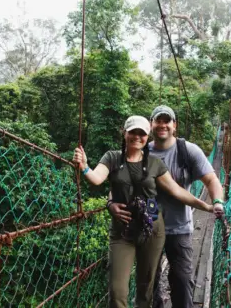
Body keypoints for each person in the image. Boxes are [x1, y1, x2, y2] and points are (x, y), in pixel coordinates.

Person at [72, 115, 214, 308]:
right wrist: (85, 167)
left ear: (147, 136)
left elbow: (176, 190)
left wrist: (206, 206)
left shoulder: (155, 163)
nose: (137, 137)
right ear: (125, 133)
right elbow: (97, 178)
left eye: (142, 133)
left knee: (145, 288)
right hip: (122, 232)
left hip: (153, 230)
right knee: (117, 291)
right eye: (133, 132)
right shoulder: (112, 157)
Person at [149, 105, 225, 308]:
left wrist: (217, 200)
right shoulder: (142, 152)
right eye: (158, 120)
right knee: (149, 283)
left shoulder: (187, 150)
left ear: (174, 125)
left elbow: (211, 180)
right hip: (149, 228)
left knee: (182, 281)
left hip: (180, 227)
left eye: (167, 121)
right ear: (151, 124)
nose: (162, 125)